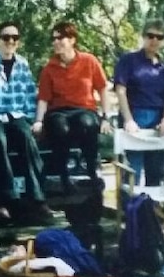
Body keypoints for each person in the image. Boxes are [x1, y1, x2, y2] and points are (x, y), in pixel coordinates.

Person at [0, 21, 53, 222]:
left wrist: (33, 121)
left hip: (15, 114)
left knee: (26, 137)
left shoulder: (23, 64)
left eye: (15, 38)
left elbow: (30, 94)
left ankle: (38, 199)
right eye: (6, 38)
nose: (11, 41)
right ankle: (4, 201)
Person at [32, 21, 113, 192]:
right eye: (53, 39)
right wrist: (38, 121)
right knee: (60, 128)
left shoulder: (89, 61)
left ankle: (92, 172)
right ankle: (64, 176)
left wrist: (106, 117)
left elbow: (103, 89)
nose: (56, 42)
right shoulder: (49, 68)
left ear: (72, 40)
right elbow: (44, 99)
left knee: (88, 123)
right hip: (59, 111)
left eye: (60, 38)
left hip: (84, 109)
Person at [113, 19, 164, 186]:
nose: (154, 40)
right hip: (134, 117)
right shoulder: (128, 60)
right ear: (143, 36)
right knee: (132, 172)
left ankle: (152, 210)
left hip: (158, 122)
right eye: (150, 35)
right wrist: (128, 120)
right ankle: (129, 211)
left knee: (156, 173)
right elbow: (120, 90)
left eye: (159, 37)